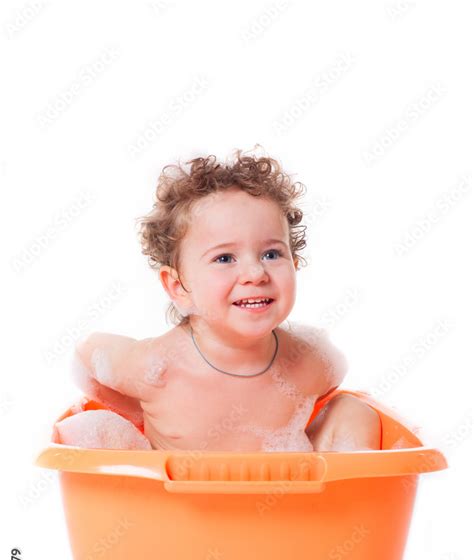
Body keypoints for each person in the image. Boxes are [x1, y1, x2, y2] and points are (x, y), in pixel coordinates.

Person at [62, 148, 381, 453]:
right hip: (176, 505)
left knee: (354, 411)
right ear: (178, 287)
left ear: (294, 265)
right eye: (225, 258)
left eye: (272, 254)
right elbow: (88, 354)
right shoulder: (156, 368)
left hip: (284, 503)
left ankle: (338, 505)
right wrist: (139, 414)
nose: (255, 273)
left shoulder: (310, 362)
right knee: (106, 442)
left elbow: (324, 398)